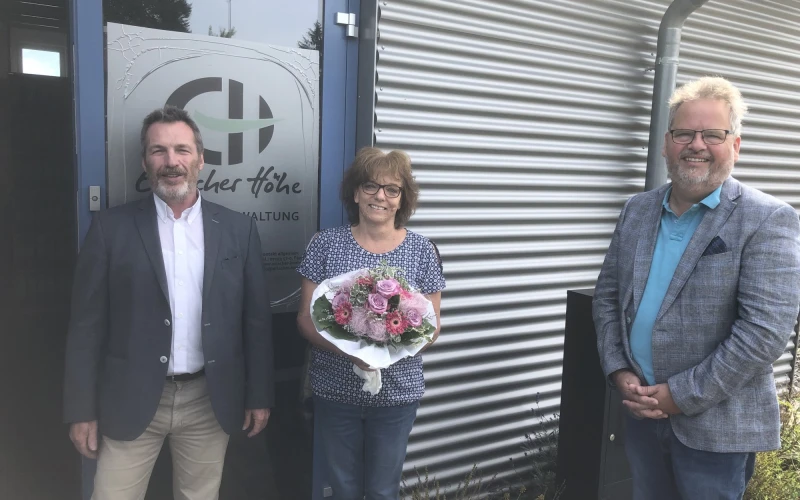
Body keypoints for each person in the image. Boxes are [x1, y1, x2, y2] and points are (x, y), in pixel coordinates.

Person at [593, 76, 800, 500]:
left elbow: (763, 333)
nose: (696, 144)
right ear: (667, 142)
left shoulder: (767, 218)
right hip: (640, 411)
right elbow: (608, 298)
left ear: (736, 145)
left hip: (716, 426)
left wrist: (680, 395)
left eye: (713, 134)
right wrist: (618, 369)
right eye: (684, 133)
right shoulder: (638, 209)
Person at [63, 106, 274, 500]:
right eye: (159, 151)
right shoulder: (111, 229)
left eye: (182, 149)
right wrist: (80, 408)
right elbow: (86, 326)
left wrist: (259, 395)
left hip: (209, 400)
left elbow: (256, 321)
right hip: (130, 396)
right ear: (145, 162)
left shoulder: (237, 229)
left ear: (200, 158)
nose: (171, 161)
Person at [296, 147, 445, 500]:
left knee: (382, 491)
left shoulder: (423, 250)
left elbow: (432, 327)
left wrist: (386, 352)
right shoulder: (325, 245)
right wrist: (352, 353)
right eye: (370, 186)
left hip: (397, 395)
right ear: (355, 192)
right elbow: (305, 319)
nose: (380, 196)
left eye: (391, 189)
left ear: (402, 199)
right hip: (335, 391)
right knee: (342, 490)